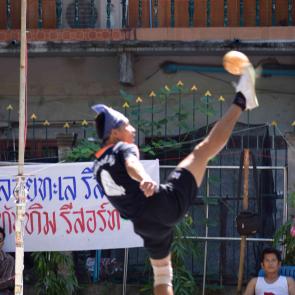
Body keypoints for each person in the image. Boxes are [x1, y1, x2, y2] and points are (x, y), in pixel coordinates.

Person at [92, 62, 258, 295]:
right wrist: (144, 180)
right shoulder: (122, 147)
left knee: (162, 275)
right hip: (161, 205)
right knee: (203, 150)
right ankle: (243, 99)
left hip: (144, 226)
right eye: (127, 125)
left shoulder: (97, 166)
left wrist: (139, 182)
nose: (133, 129)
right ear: (115, 133)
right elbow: (132, 165)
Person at [0, 227, 14, 295]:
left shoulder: (9, 260)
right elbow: (7, 280)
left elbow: (9, 283)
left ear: (3, 242)